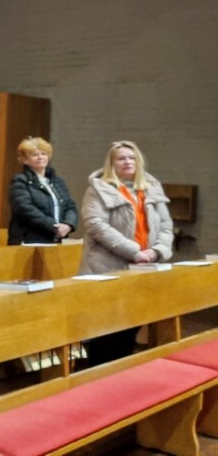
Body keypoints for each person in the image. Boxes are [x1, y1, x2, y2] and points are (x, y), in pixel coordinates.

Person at [79, 140, 173, 366]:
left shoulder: (150, 188)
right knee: (105, 330)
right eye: (121, 158)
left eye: (132, 158)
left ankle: (122, 373)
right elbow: (96, 225)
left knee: (131, 326)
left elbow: (166, 225)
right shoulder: (98, 189)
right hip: (107, 267)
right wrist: (134, 252)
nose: (128, 162)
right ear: (111, 164)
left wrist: (156, 251)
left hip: (143, 267)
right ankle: (98, 375)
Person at [7, 137, 78, 244]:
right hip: (29, 239)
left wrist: (68, 224)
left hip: (55, 239)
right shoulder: (20, 180)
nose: (40, 157)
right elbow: (24, 208)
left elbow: (70, 206)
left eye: (43, 154)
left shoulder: (57, 181)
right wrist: (53, 227)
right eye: (35, 155)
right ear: (25, 160)